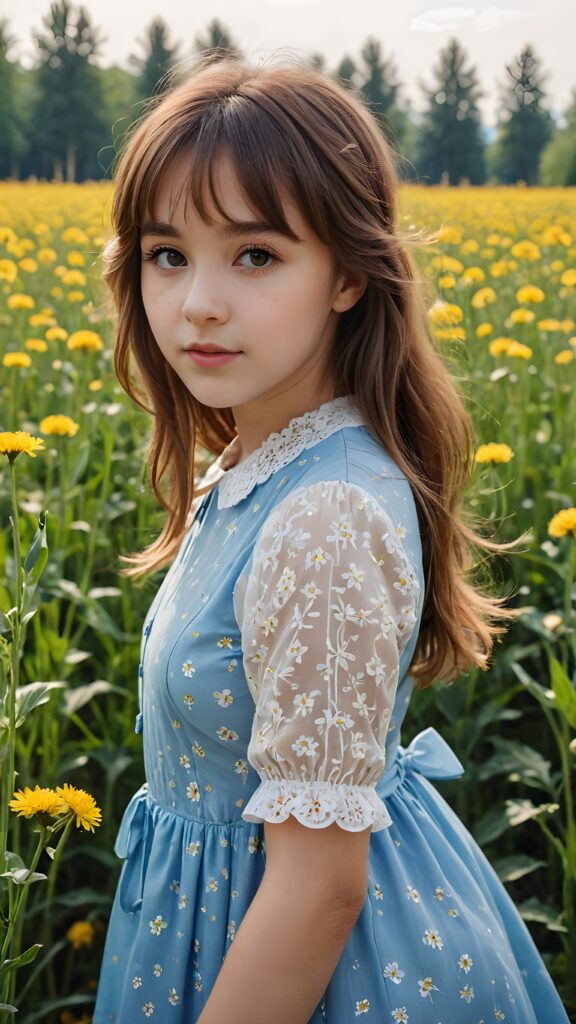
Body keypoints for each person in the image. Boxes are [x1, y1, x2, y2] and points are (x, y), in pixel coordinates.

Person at [92, 54, 569, 1024]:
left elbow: (316, 890)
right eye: (167, 254)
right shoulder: (268, 461)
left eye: (256, 256)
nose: (199, 302)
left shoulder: (326, 514)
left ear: (348, 273)